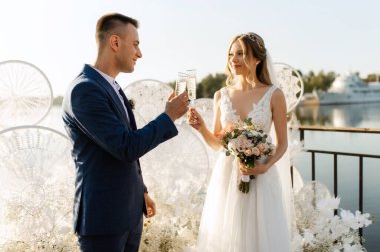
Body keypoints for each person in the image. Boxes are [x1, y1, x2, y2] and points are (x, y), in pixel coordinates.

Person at [62, 13, 189, 252]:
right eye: (136, 44)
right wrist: (169, 116)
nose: (139, 54)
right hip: (103, 221)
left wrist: (141, 191)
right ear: (115, 43)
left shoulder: (111, 86)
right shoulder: (84, 90)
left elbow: (123, 146)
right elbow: (126, 146)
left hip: (129, 214)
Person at [187, 32, 293, 251]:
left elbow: (282, 144)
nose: (233, 59)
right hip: (227, 176)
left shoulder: (275, 95)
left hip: (262, 177)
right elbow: (218, 144)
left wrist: (265, 165)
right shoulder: (221, 95)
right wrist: (201, 128)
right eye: (231, 54)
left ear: (257, 59)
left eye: (241, 53)